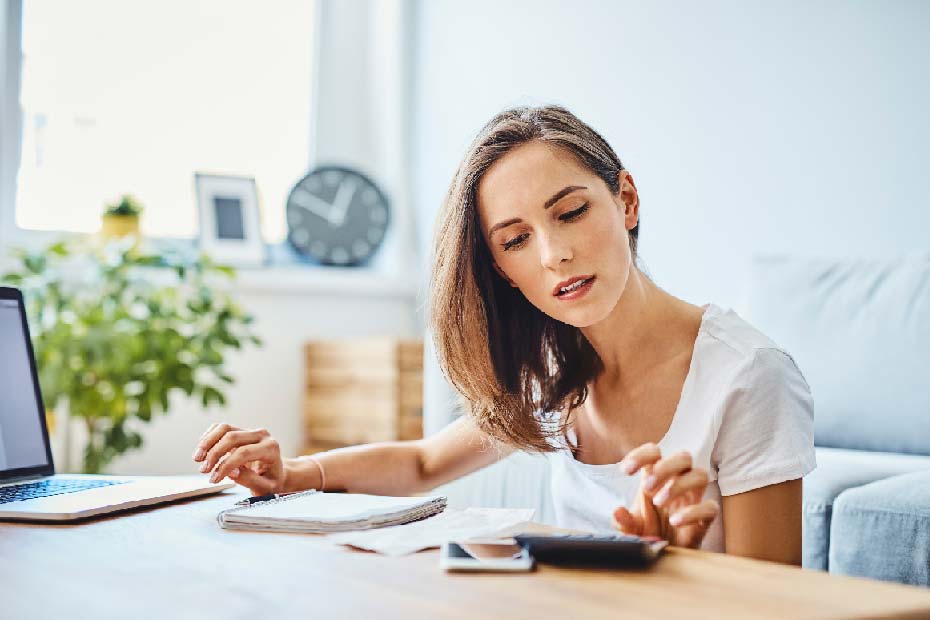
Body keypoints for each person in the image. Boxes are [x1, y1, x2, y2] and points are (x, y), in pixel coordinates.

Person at [191, 105, 815, 564]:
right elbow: (423, 462)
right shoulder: (555, 367)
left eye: (571, 212)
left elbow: (780, 603)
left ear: (626, 200)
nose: (554, 255)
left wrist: (675, 562)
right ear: (502, 271)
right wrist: (292, 473)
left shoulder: (748, 375)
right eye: (516, 240)